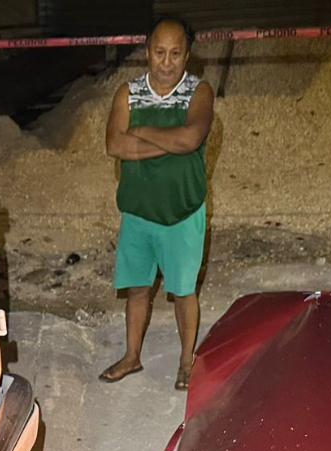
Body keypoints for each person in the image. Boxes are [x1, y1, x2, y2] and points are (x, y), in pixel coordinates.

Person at [100, 18, 213, 390]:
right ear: (147, 52)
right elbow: (115, 146)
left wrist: (142, 132)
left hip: (182, 213)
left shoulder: (200, 92)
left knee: (184, 291)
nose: (167, 62)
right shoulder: (127, 93)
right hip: (138, 214)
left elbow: (191, 139)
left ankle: (185, 362)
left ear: (187, 55)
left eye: (176, 53)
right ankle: (132, 356)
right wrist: (170, 142)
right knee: (137, 289)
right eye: (159, 52)